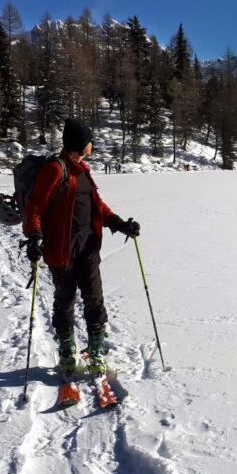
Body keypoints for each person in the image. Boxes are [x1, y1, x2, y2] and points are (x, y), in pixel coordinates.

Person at [23, 118, 140, 375]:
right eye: (89, 140)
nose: (92, 144)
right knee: (64, 302)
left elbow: (97, 206)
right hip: (61, 252)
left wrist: (120, 224)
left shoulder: (83, 170)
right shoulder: (55, 169)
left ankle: (96, 352)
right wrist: (33, 236)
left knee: (95, 300)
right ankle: (67, 354)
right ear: (80, 144)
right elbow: (34, 206)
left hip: (88, 249)